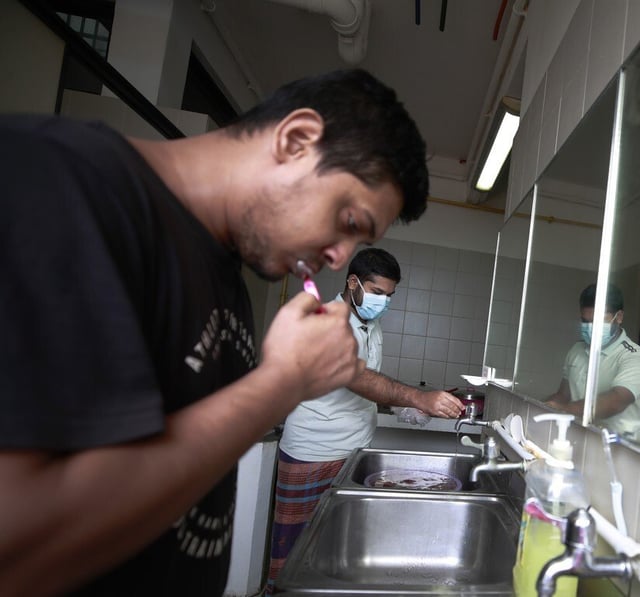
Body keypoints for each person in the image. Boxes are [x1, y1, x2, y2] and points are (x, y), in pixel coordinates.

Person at [0, 68, 429, 597]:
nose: (340, 256)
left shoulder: (224, 268)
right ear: (295, 141)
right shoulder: (55, 187)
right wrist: (284, 382)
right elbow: (19, 543)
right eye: (348, 219)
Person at [265, 247, 464, 593]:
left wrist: (402, 408)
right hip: (314, 453)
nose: (384, 302)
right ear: (353, 283)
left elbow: (367, 385)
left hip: (352, 452)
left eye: (389, 295)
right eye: (377, 293)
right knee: (294, 556)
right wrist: (418, 397)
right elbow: (353, 376)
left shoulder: (369, 324)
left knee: (330, 553)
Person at [544, 283, 640, 438]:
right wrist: (543, 407)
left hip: (618, 451)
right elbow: (563, 395)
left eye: (598, 321)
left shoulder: (634, 357)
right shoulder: (577, 350)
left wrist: (565, 410)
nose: (591, 327)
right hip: (580, 439)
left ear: (619, 317)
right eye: (585, 321)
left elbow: (616, 401)